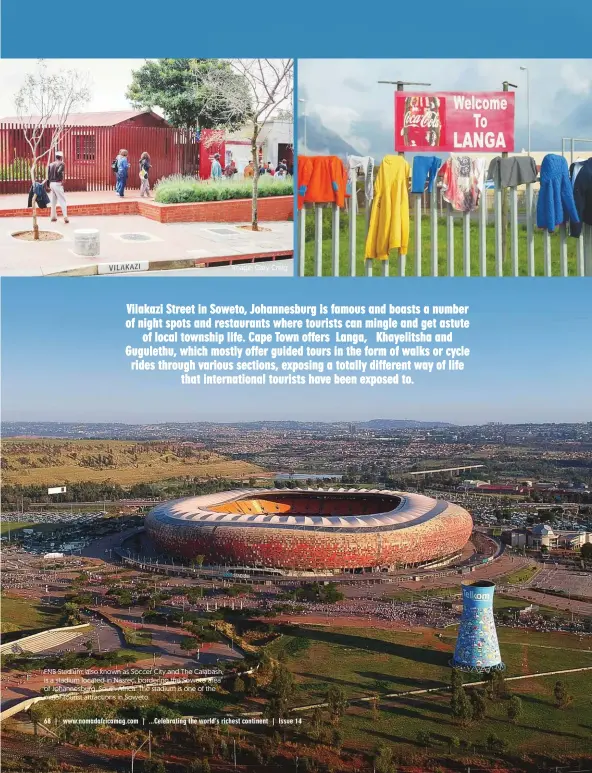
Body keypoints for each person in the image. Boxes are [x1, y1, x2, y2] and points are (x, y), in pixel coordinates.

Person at [46, 151, 69, 223]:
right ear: (61, 157)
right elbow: (59, 172)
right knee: (62, 200)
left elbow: (48, 176)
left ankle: (53, 217)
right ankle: (65, 217)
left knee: (53, 201)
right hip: (57, 184)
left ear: (56, 157)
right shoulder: (62, 164)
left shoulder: (51, 164)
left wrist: (47, 185)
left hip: (51, 184)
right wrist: (61, 179)